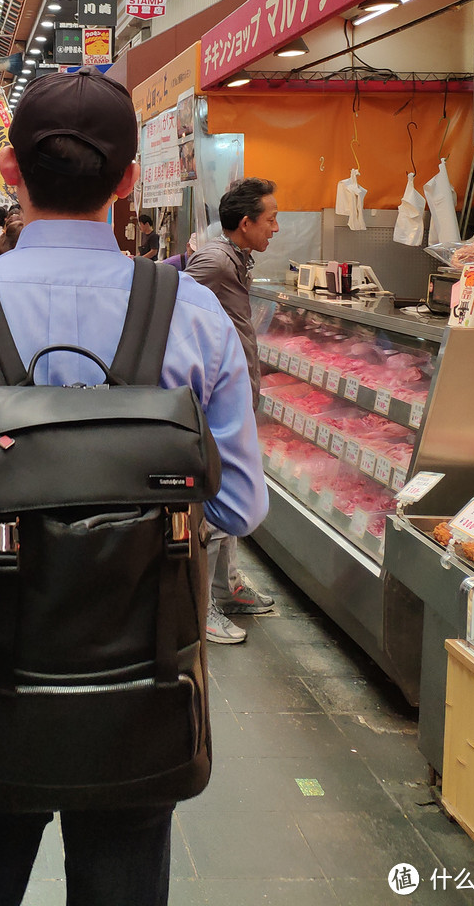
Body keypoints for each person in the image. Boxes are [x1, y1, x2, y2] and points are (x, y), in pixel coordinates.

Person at [0, 66, 267, 906]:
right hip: (144, 660)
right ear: (124, 183)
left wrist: (2, 481)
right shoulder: (191, 314)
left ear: (9, 172)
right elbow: (237, 502)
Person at [186, 177, 280, 645]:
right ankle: (200, 609)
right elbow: (176, 288)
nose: (276, 227)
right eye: (270, 219)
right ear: (245, 224)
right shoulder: (215, 259)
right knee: (215, 503)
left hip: (236, 391)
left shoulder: (236, 259)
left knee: (224, 496)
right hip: (215, 400)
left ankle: (228, 587)